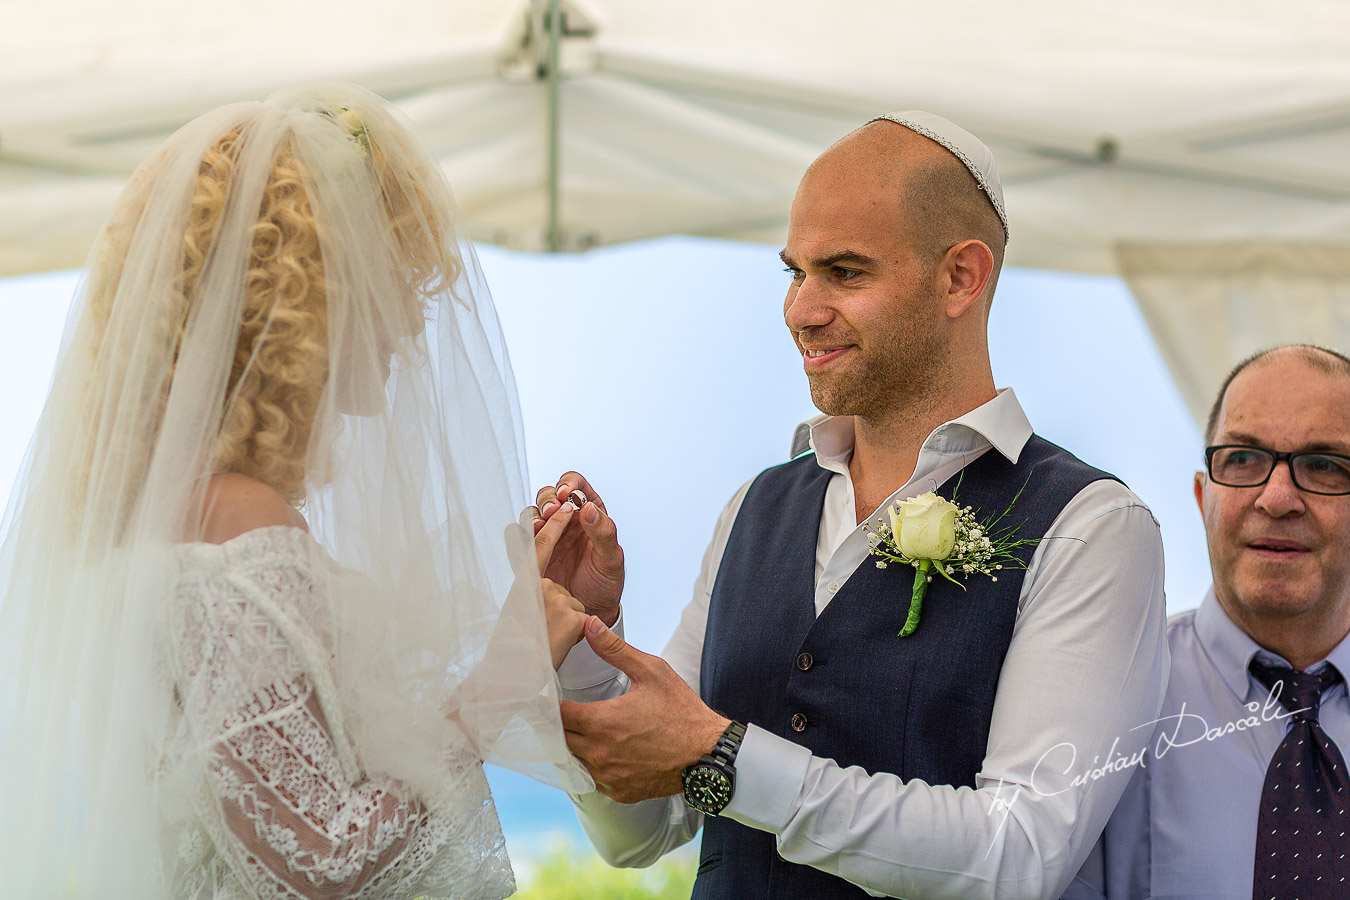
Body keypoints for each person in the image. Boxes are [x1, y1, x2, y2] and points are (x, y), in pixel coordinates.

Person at [534, 112, 1168, 898]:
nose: (801, 309)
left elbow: (1020, 854)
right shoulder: (754, 508)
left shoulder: (1093, 526)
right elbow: (640, 833)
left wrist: (724, 757)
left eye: (844, 272)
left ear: (960, 277)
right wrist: (588, 648)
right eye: (794, 271)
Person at [0, 83, 591, 898]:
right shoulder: (230, 524)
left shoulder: (173, 518)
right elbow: (323, 856)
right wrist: (499, 679)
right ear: (307, 298)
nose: (412, 323)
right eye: (389, 281)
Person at [1087, 344, 1350, 898]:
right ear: (1203, 497)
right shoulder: (1108, 697)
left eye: (1324, 465)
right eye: (1243, 460)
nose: (1277, 499)